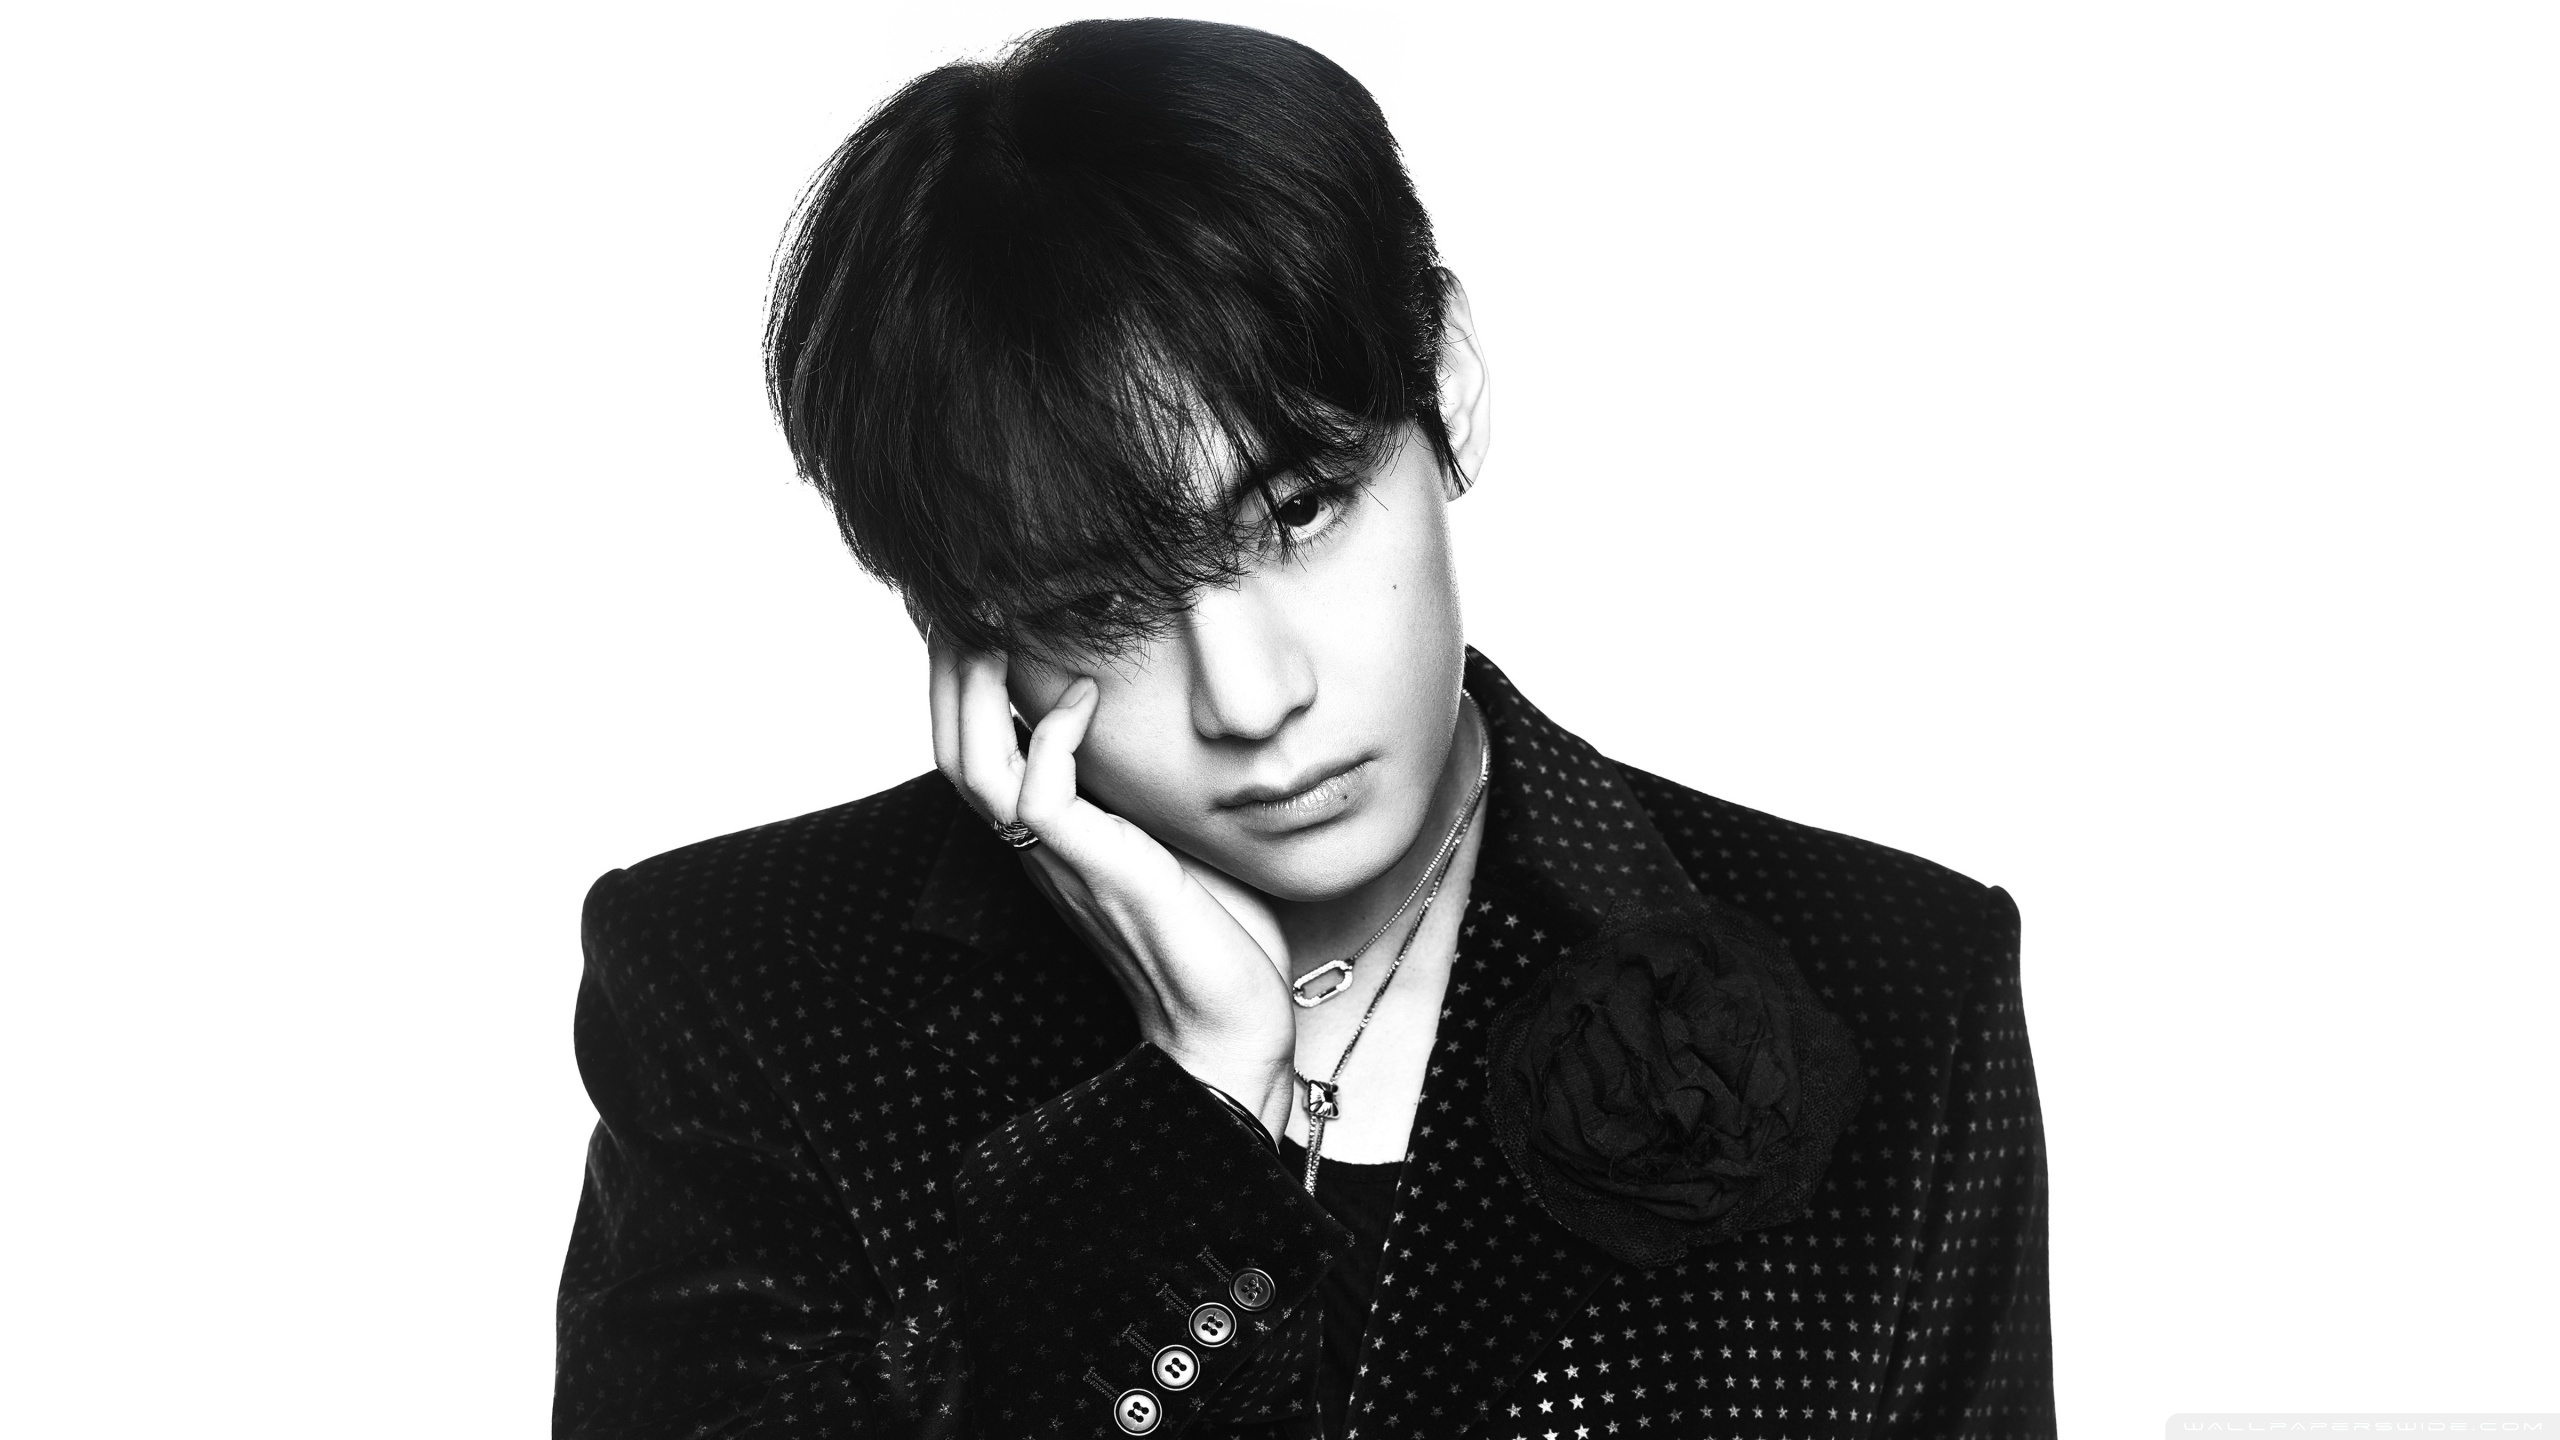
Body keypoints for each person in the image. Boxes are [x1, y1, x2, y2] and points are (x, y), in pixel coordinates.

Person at [555, 18, 2054, 1439]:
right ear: (965, 625)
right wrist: (1195, 1102)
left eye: (1297, 511)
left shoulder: (1900, 983)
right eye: (1102, 600)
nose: (1251, 698)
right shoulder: (744, 994)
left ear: (1445, 382)